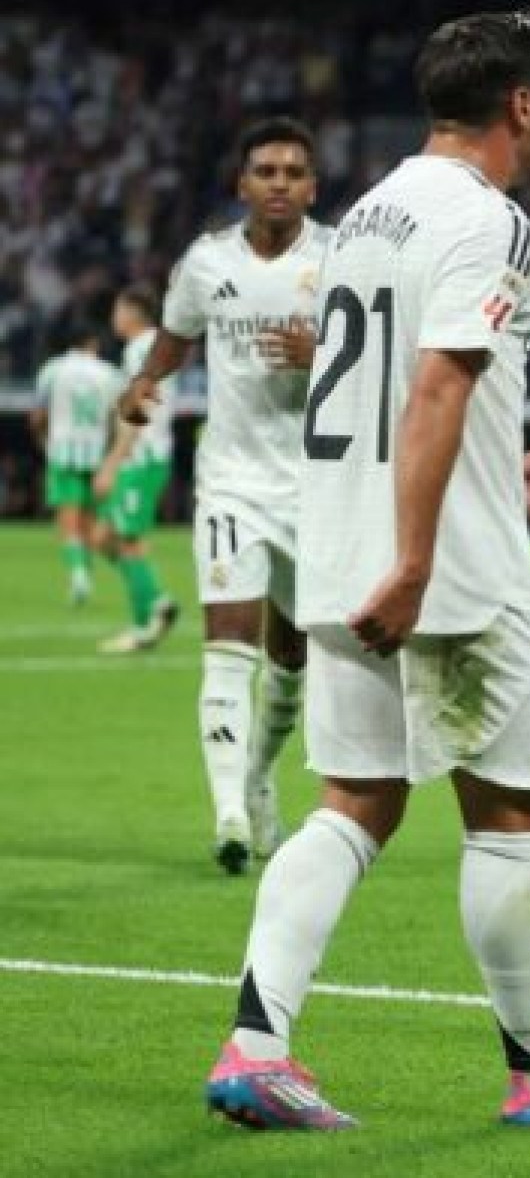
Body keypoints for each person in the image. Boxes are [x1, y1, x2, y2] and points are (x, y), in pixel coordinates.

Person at [199, 8, 530, 1132]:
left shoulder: (366, 215)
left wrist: (495, 470)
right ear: (521, 103)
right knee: (506, 815)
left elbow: (387, 385)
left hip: (342, 550)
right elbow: (440, 386)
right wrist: (419, 559)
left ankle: (256, 1049)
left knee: (353, 804)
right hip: (444, 578)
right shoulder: (492, 222)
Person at [118, 117, 329, 873]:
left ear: (312, 185)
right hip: (231, 482)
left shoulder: (341, 261)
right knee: (227, 647)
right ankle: (231, 814)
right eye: (265, 170)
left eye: (292, 171)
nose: (278, 182)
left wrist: (326, 349)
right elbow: (174, 339)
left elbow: (387, 365)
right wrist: (143, 383)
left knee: (295, 656)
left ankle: (260, 774)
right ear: (242, 184)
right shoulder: (206, 264)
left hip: (316, 490)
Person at [93, 283, 181, 653]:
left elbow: (136, 412)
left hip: (140, 458)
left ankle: (148, 618)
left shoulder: (138, 349)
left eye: (118, 309)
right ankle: (153, 608)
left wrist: (112, 462)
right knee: (104, 537)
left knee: (127, 542)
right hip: (151, 456)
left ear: (132, 312)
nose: (114, 317)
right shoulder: (158, 346)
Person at [30, 318, 119, 607]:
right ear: (93, 343)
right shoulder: (110, 373)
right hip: (98, 454)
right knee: (90, 522)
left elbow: (38, 417)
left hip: (63, 451)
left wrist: (44, 441)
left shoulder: (52, 371)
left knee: (68, 521)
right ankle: (91, 574)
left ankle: (79, 574)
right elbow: (116, 419)